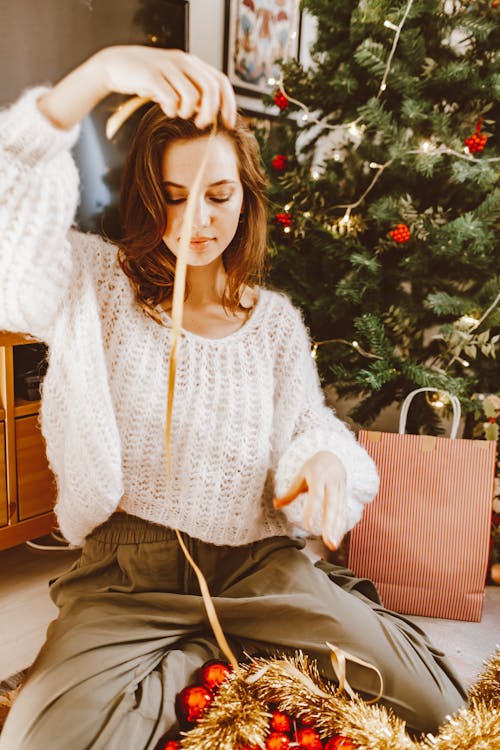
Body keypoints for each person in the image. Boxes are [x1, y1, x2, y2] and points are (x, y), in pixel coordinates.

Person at [0, 45, 466, 749]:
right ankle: (201, 658)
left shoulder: (272, 319)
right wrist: (94, 76)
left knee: (436, 704)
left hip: (258, 565)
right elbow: (9, 214)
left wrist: (324, 463)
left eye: (217, 196)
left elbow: (307, 426)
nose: (195, 222)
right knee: (44, 740)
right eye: (173, 197)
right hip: (129, 573)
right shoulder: (93, 285)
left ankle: (215, 652)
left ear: (246, 195)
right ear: (146, 196)